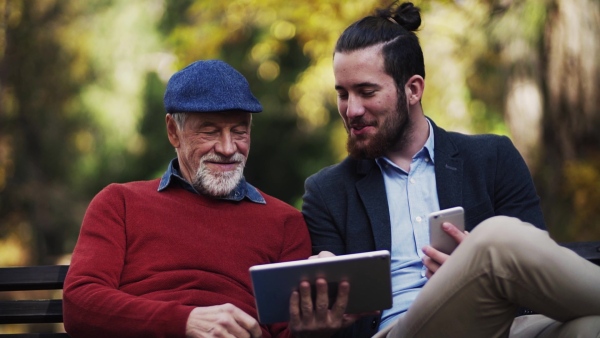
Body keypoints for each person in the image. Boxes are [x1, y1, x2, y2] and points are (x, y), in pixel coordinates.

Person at [300, 1, 600, 337]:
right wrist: (315, 324)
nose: (351, 109)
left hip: (507, 325)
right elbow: (324, 322)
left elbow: (539, 277)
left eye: (366, 92)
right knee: (495, 237)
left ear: (413, 90)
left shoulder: (493, 157)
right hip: (396, 329)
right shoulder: (326, 192)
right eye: (343, 94)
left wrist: (473, 273)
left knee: (590, 327)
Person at [63, 60, 317, 338]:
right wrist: (185, 322)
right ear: (174, 131)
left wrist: (316, 329)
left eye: (239, 131)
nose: (228, 148)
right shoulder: (119, 203)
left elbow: (289, 332)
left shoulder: (285, 223)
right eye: (209, 131)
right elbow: (80, 304)